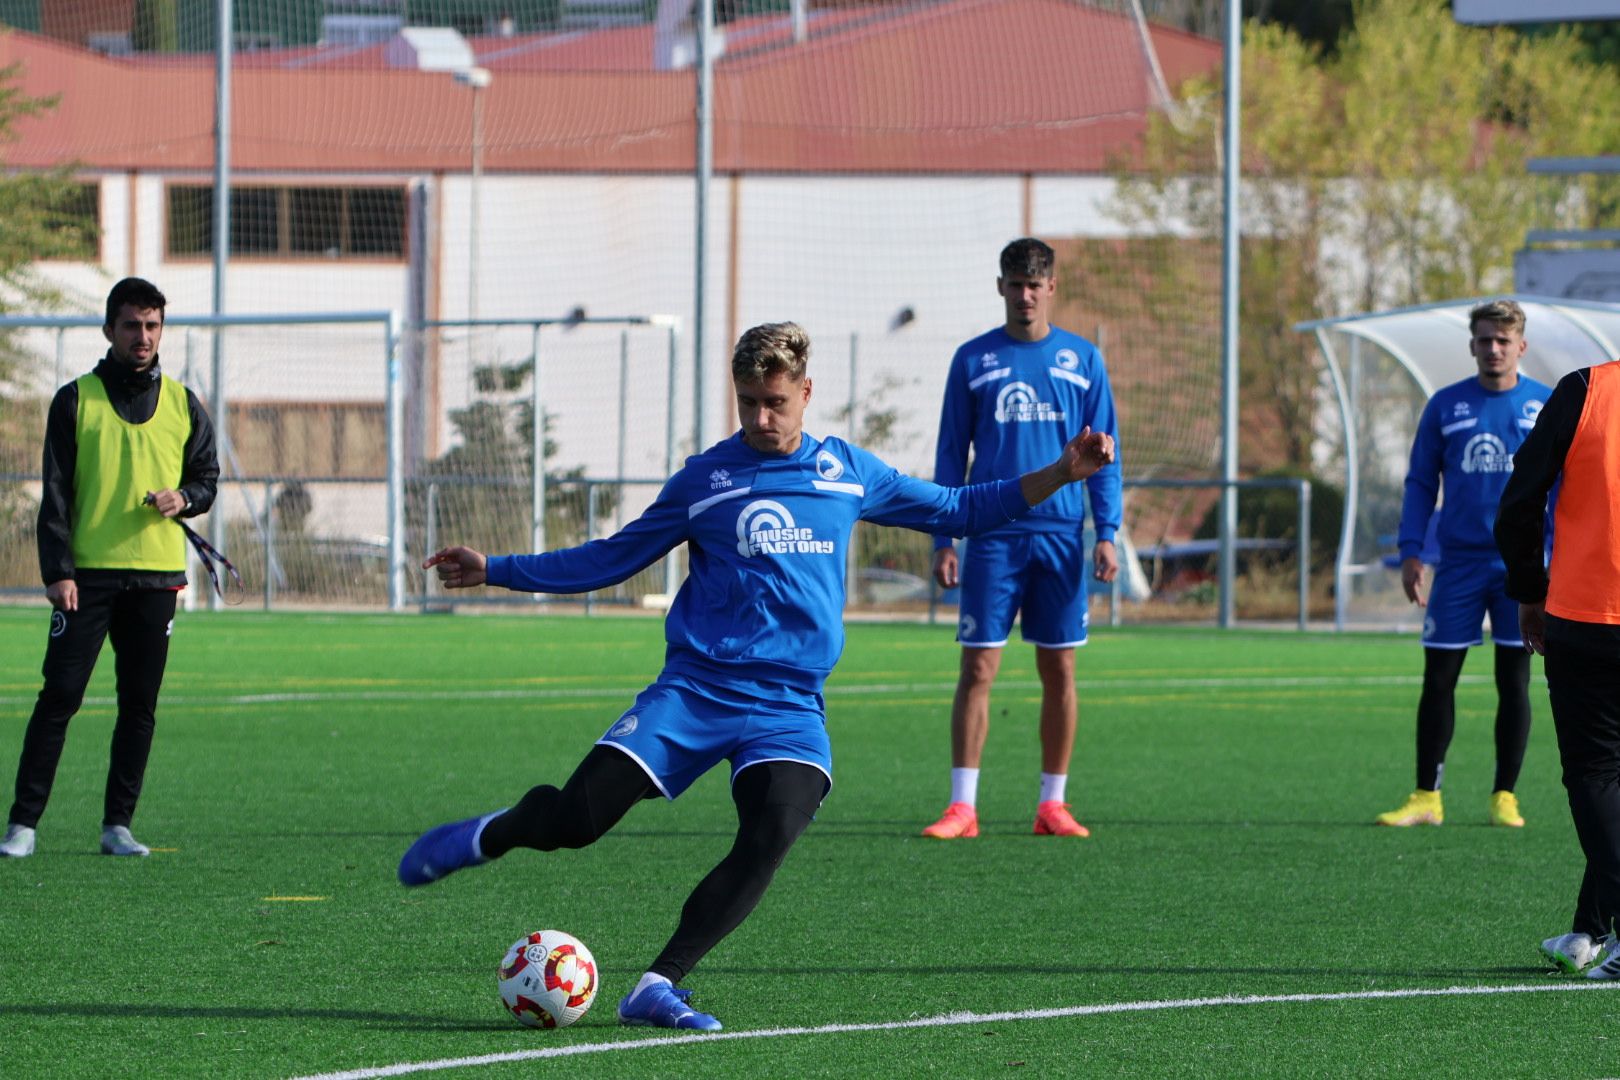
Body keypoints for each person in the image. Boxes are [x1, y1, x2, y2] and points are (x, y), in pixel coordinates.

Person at [398, 322, 1115, 1030]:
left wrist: (1061, 473)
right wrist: (496, 569)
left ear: (806, 392)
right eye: (748, 403)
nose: (762, 418)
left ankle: (657, 985)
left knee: (772, 829)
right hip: (695, 692)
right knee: (575, 824)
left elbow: (959, 509)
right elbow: (609, 559)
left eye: (775, 402)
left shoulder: (847, 472)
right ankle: (492, 833)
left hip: (789, 706)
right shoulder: (705, 480)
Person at [0, 278, 219, 859]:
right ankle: (22, 825)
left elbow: (206, 478)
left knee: (139, 704)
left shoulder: (183, 403)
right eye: (131, 325)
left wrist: (185, 498)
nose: (142, 336)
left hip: (156, 580)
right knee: (61, 696)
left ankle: (117, 826)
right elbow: (55, 494)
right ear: (109, 330)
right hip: (86, 580)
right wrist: (58, 571)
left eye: (152, 326)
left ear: (160, 331)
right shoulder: (75, 399)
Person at [920, 238, 1121, 841]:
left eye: (1036, 284)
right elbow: (952, 452)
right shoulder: (973, 359)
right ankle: (963, 806)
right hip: (992, 534)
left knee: (1059, 669)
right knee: (978, 667)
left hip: (1061, 534)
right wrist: (944, 537)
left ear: (1052, 288)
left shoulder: (1083, 359)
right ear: (1001, 286)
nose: (1025, 294)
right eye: (1015, 283)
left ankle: (1051, 804)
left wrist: (1106, 532)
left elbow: (1105, 453)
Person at [1375, 299, 1550, 829]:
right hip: (1458, 565)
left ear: (1521, 345)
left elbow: (1563, 489)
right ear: (1471, 345)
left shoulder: (1545, 406)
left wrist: (1555, 557)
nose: (1493, 349)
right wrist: (1411, 551)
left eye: (1503, 340)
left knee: (1513, 680)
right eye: (1483, 340)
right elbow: (1421, 483)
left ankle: (1505, 796)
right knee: (1438, 677)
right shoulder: (1445, 406)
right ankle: (1427, 796)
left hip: (1520, 567)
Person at [1497, 358, 1620, 977]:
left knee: (1597, 774)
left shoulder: (1588, 388)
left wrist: (1527, 590)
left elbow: (1519, 500)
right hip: (1586, 616)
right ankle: (1588, 931)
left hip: (1589, 616)